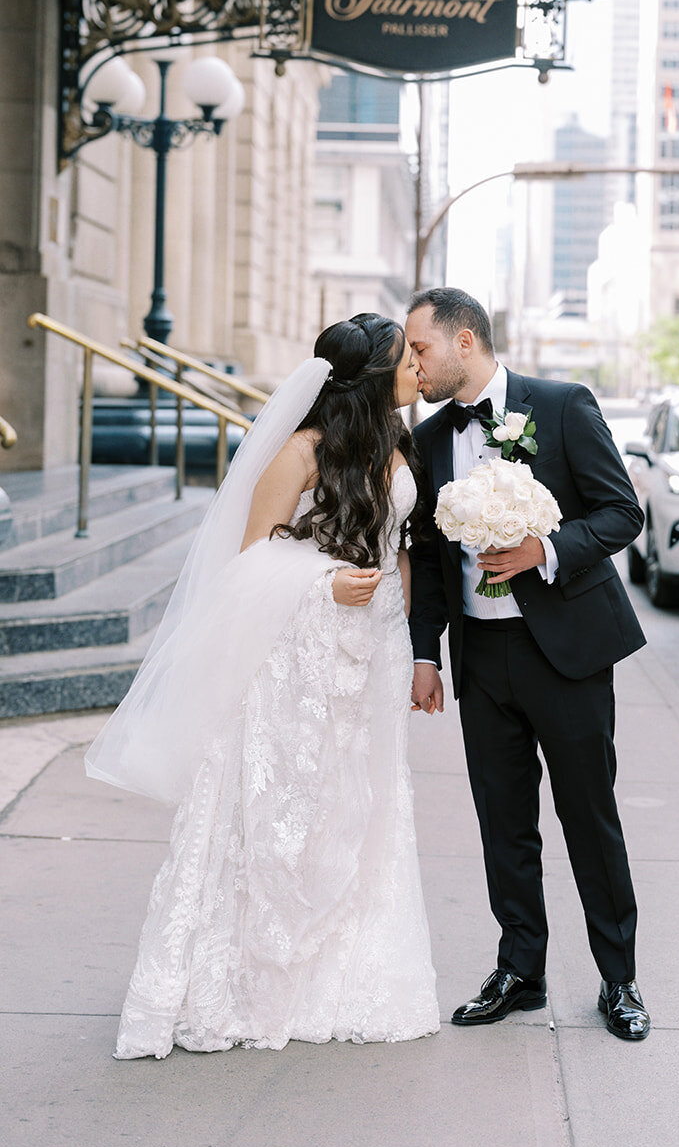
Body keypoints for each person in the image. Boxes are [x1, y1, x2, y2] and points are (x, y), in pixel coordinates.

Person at [86, 314, 441, 1059]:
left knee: (363, 802)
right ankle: (253, 982)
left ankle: (341, 979)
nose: (420, 363)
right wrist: (326, 587)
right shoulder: (301, 450)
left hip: (374, 646)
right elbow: (248, 563)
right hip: (296, 656)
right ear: (375, 374)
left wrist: (400, 617)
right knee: (282, 806)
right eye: (407, 355)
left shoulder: (401, 445)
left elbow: (401, 542)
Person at [405, 287, 651, 1042]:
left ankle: (620, 981)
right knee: (504, 824)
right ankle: (521, 970)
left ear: (466, 341)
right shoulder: (431, 436)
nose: (413, 365)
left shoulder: (564, 404)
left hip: (568, 655)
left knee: (589, 819)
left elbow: (621, 513)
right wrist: (426, 652)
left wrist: (544, 549)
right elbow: (426, 552)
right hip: (483, 661)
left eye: (421, 349)